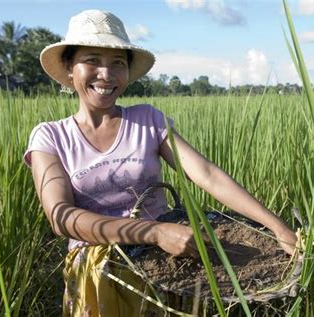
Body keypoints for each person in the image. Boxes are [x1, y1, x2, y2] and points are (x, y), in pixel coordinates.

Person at [24, 9, 298, 316]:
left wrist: (277, 227)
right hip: (98, 274)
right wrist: (153, 232)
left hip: (168, 267)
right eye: (92, 60)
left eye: (118, 63)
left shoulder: (148, 121)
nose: (106, 74)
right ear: (69, 67)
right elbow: (60, 217)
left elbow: (206, 174)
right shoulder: (50, 137)